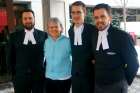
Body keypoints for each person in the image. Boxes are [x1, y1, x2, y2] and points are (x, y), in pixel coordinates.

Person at [92, 3, 139, 93]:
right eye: (96, 17)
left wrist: (125, 81)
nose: (99, 20)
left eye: (103, 16)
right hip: (98, 86)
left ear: (110, 17)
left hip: (116, 86)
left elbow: (133, 64)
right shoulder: (94, 35)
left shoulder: (122, 36)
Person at [7, 9, 47, 93]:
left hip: (39, 76)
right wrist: (13, 75)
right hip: (20, 77)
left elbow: (49, 54)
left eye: (30, 18)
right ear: (22, 20)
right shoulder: (14, 36)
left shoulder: (43, 35)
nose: (28, 20)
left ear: (34, 19)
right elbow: (9, 57)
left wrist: (45, 69)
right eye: (25, 18)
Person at [68, 1, 95, 93]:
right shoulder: (70, 31)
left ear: (84, 13)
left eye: (79, 12)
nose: (76, 15)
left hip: (90, 75)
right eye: (73, 12)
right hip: (75, 75)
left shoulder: (93, 30)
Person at [44, 17, 71, 93]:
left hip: (64, 78)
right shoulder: (46, 42)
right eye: (51, 27)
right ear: (48, 29)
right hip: (49, 77)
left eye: (56, 27)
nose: (54, 29)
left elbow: (75, 56)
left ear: (61, 28)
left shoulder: (67, 41)